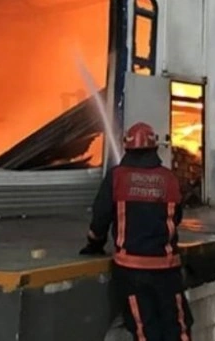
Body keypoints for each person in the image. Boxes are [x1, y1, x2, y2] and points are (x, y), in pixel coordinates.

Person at [80, 122, 194, 341]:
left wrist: (94, 244)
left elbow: (100, 218)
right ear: (154, 147)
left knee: (144, 329)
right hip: (166, 268)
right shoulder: (169, 178)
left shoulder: (116, 177)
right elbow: (176, 217)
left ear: (127, 148)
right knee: (177, 327)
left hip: (131, 270)